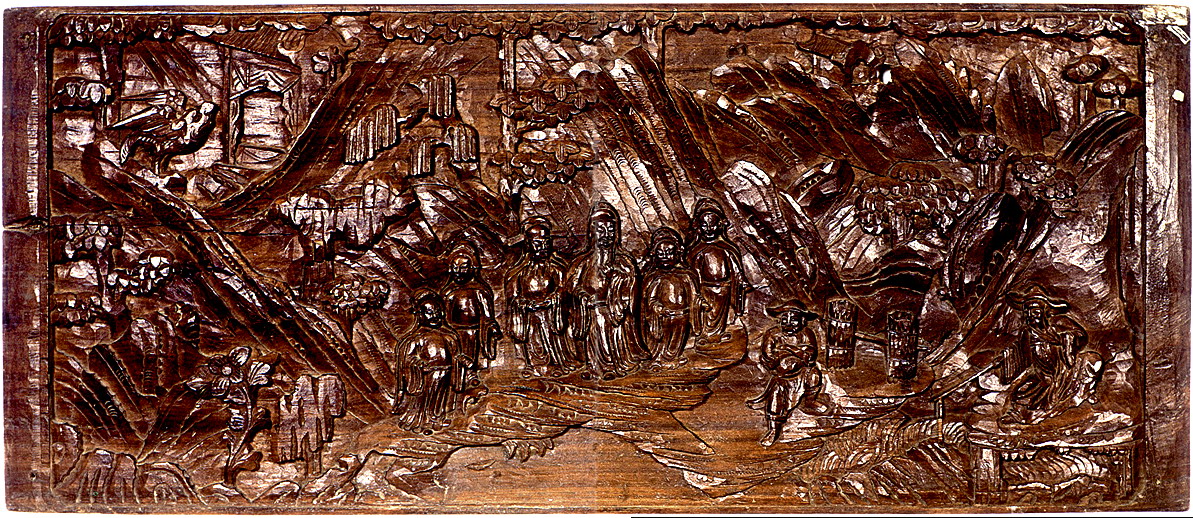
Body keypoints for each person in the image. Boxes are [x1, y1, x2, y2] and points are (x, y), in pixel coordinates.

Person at [1000, 284, 1102, 425]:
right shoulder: (1027, 333)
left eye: (1035, 311)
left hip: (1068, 369)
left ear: (1045, 312)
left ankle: (1085, 392)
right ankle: (1018, 414)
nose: (1030, 315)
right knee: (1021, 393)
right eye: (1027, 312)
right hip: (1043, 376)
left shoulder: (1060, 323)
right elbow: (1022, 356)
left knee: (1093, 361)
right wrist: (1007, 357)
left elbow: (1081, 336)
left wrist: (1065, 339)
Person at [566, 202, 642, 380]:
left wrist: (617, 277)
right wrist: (583, 295)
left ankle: (614, 365)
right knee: (595, 327)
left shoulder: (623, 261)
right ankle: (595, 366)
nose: (606, 235)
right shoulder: (583, 262)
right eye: (601, 230)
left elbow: (631, 284)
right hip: (590, 309)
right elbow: (571, 285)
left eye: (610, 230)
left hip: (615, 310)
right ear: (591, 232)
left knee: (606, 323)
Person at [506, 217, 576, 377]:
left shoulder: (557, 268)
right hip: (528, 315)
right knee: (532, 329)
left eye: (546, 242)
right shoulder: (518, 272)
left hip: (551, 313)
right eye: (537, 243)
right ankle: (530, 364)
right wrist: (524, 304)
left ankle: (556, 362)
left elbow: (564, 289)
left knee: (549, 328)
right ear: (527, 244)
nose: (542, 247)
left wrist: (554, 299)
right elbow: (513, 297)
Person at [748, 299, 822, 447]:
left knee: (814, 375)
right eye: (784, 319)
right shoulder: (773, 334)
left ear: (802, 321)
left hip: (802, 372)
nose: (788, 323)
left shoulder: (807, 333)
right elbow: (769, 358)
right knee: (776, 395)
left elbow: (810, 357)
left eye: (793, 320)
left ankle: (810, 401)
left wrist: (787, 349)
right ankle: (773, 429)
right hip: (782, 376)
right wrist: (796, 353)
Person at [392, 289, 457, 434]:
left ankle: (437, 419)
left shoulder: (448, 336)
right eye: (429, 312)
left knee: (439, 399)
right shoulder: (416, 338)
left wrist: (460, 361)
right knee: (426, 399)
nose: (434, 316)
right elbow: (408, 359)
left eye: (437, 312)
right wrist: (417, 364)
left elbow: (455, 354)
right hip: (427, 375)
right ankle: (421, 422)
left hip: (445, 372)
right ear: (420, 315)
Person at [441, 242, 501, 394]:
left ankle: (472, 377)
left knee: (471, 357)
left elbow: (487, 315)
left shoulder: (479, 291)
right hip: (453, 332)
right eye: (455, 267)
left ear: (472, 268)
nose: (458, 272)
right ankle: (457, 383)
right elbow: (444, 316)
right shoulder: (448, 292)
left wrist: (491, 327)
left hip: (473, 332)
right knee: (456, 358)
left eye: (463, 267)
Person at [687, 198, 747, 344]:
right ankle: (704, 335)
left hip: (724, 287)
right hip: (705, 288)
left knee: (721, 314)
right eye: (704, 225)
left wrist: (741, 281)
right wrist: (696, 289)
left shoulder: (727, 248)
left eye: (712, 224)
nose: (709, 228)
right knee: (706, 312)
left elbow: (735, 268)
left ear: (720, 225)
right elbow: (694, 272)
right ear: (698, 226)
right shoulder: (697, 250)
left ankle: (718, 334)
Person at [641, 227, 700, 369]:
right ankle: (659, 359)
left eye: (669, 252)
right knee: (664, 339)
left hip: (682, 314)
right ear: (654, 254)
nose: (665, 256)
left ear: (678, 253)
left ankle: (672, 358)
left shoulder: (685, 275)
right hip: (664, 317)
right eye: (661, 253)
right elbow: (649, 300)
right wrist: (658, 308)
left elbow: (694, 295)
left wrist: (699, 303)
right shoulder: (654, 277)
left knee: (677, 339)